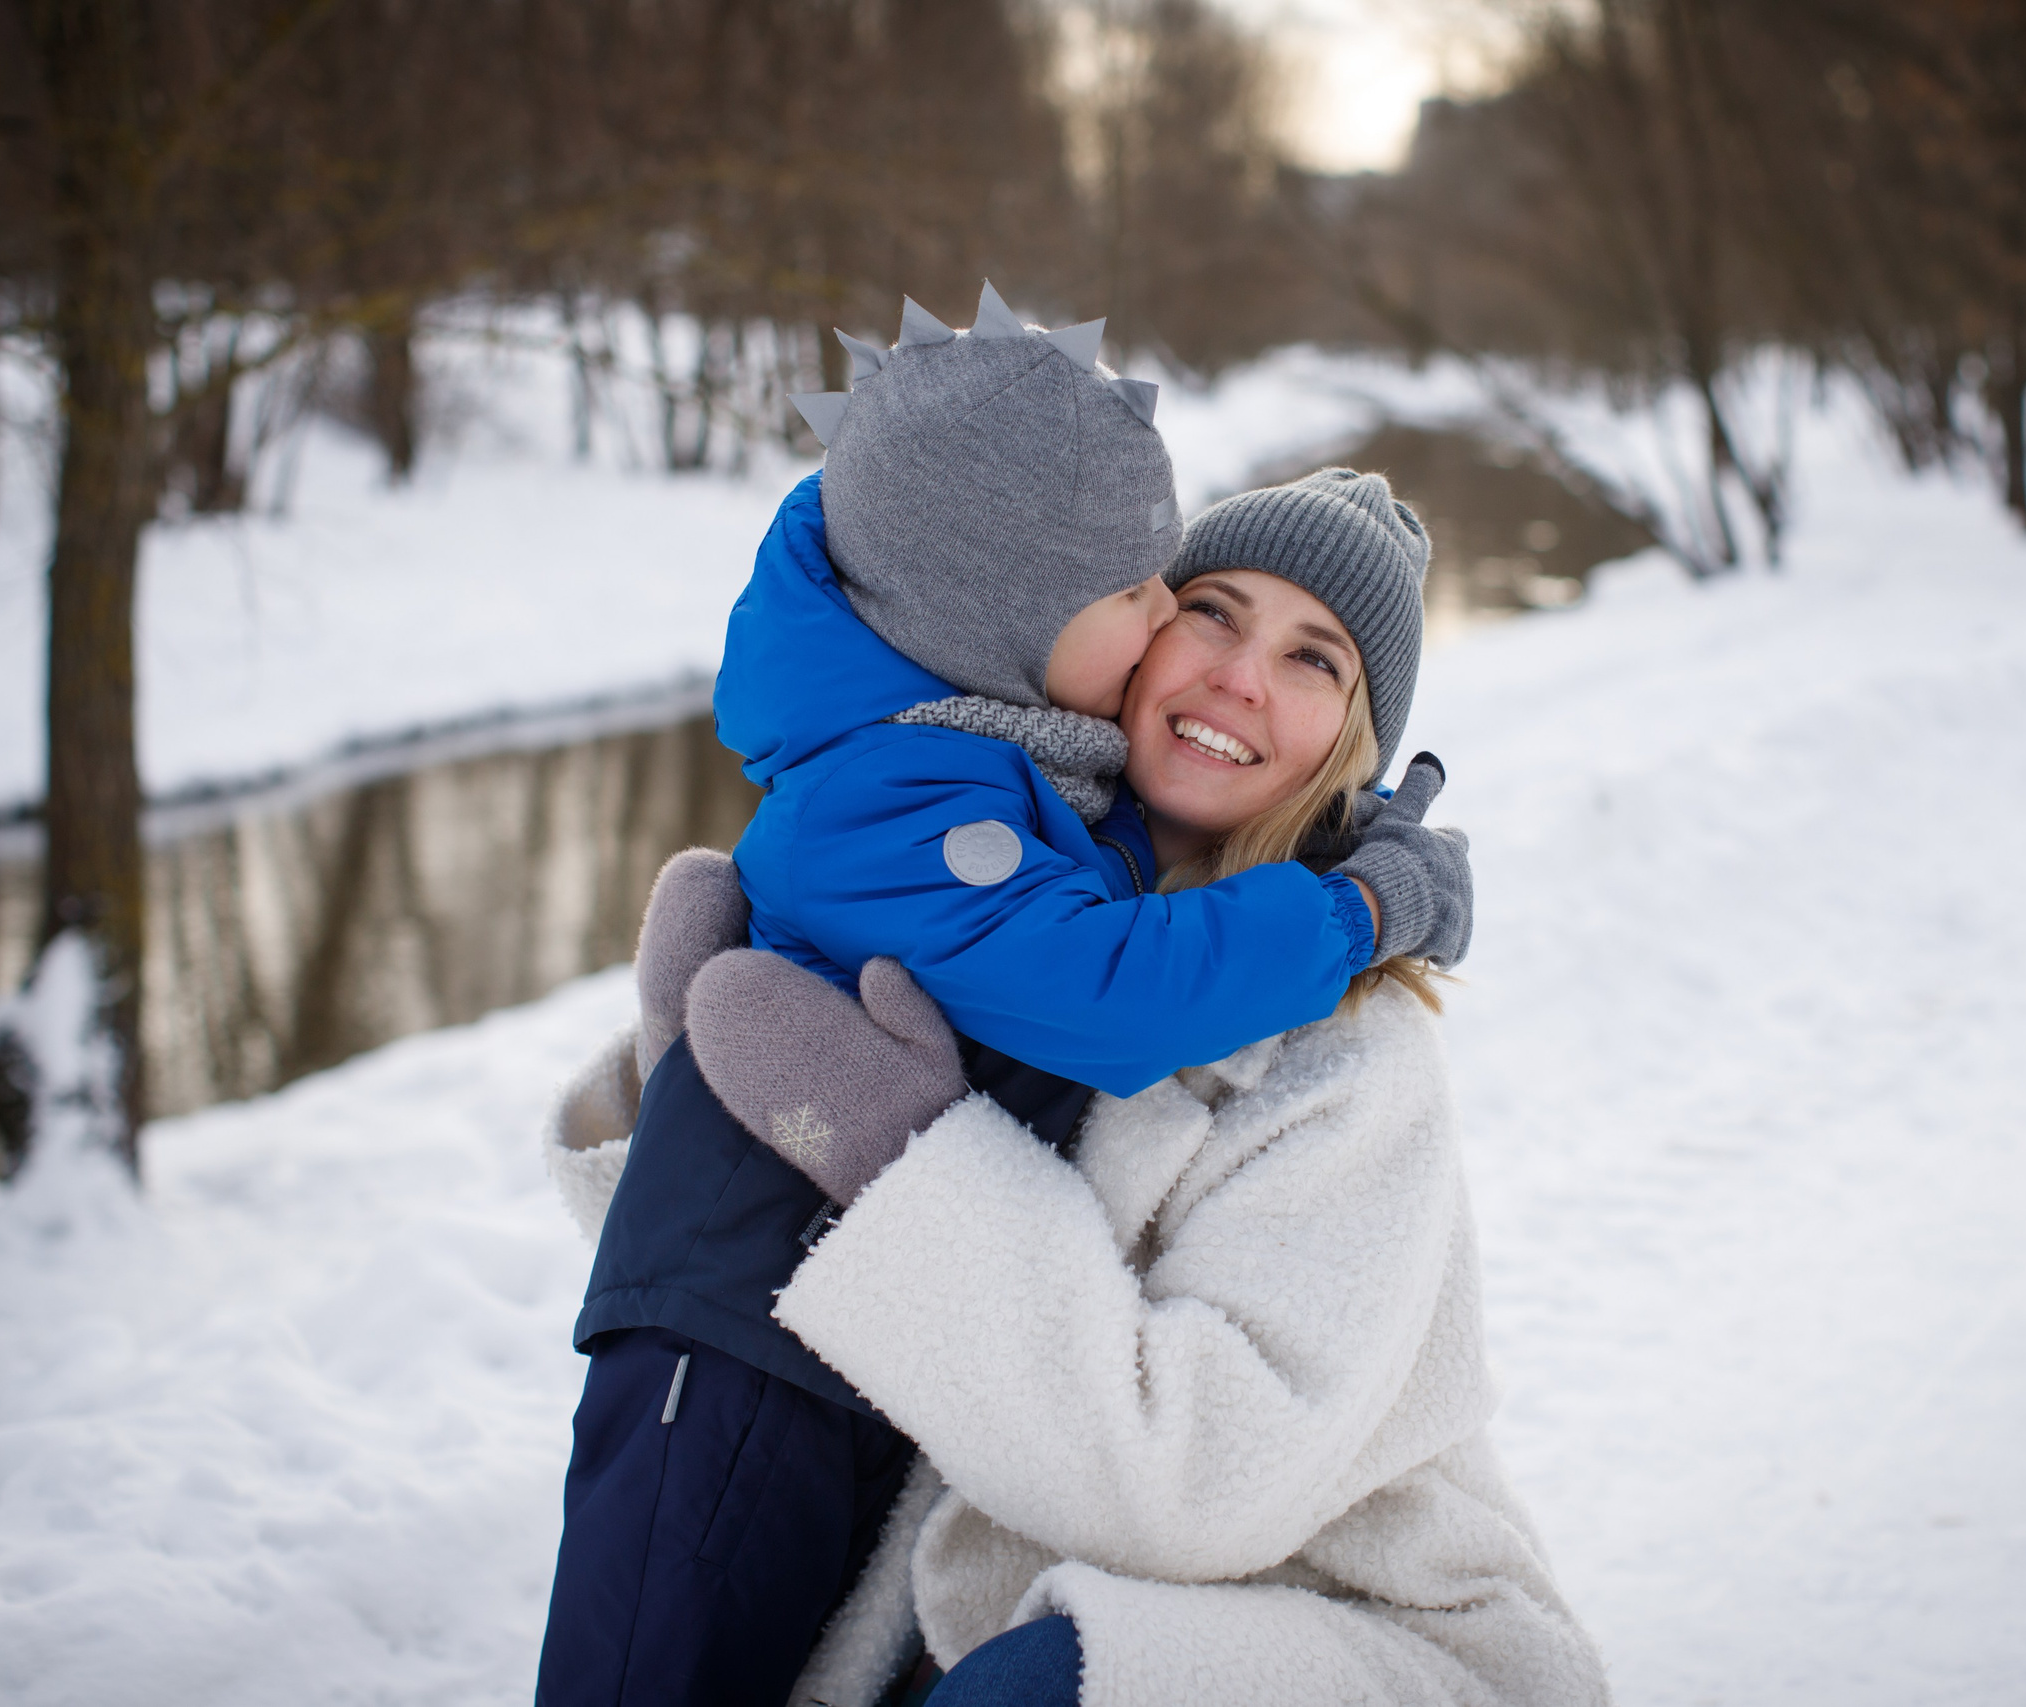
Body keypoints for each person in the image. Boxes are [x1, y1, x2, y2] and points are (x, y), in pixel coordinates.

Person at [534, 287, 1474, 1706]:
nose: (1226, 668)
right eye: (1200, 606)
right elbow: (778, 1316)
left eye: (1313, 660)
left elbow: (1191, 1484)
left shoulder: (1350, 1051)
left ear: (1354, 744)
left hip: (1285, 1621)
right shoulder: (1013, 848)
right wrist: (705, 1085)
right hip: (895, 1520)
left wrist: (906, 1156)